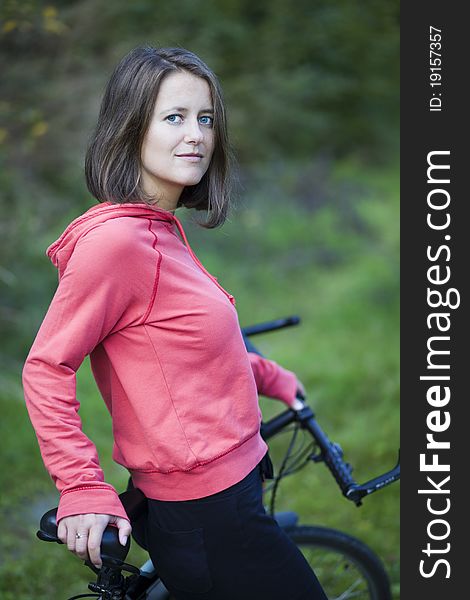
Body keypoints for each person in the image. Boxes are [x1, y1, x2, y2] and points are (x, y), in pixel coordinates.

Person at [22, 46, 327, 599]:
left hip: (229, 493)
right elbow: (46, 366)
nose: (197, 135)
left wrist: (270, 377)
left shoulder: (157, 230)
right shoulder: (118, 244)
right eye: (174, 117)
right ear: (131, 129)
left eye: (205, 118)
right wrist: (83, 487)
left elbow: (186, 349)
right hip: (209, 515)